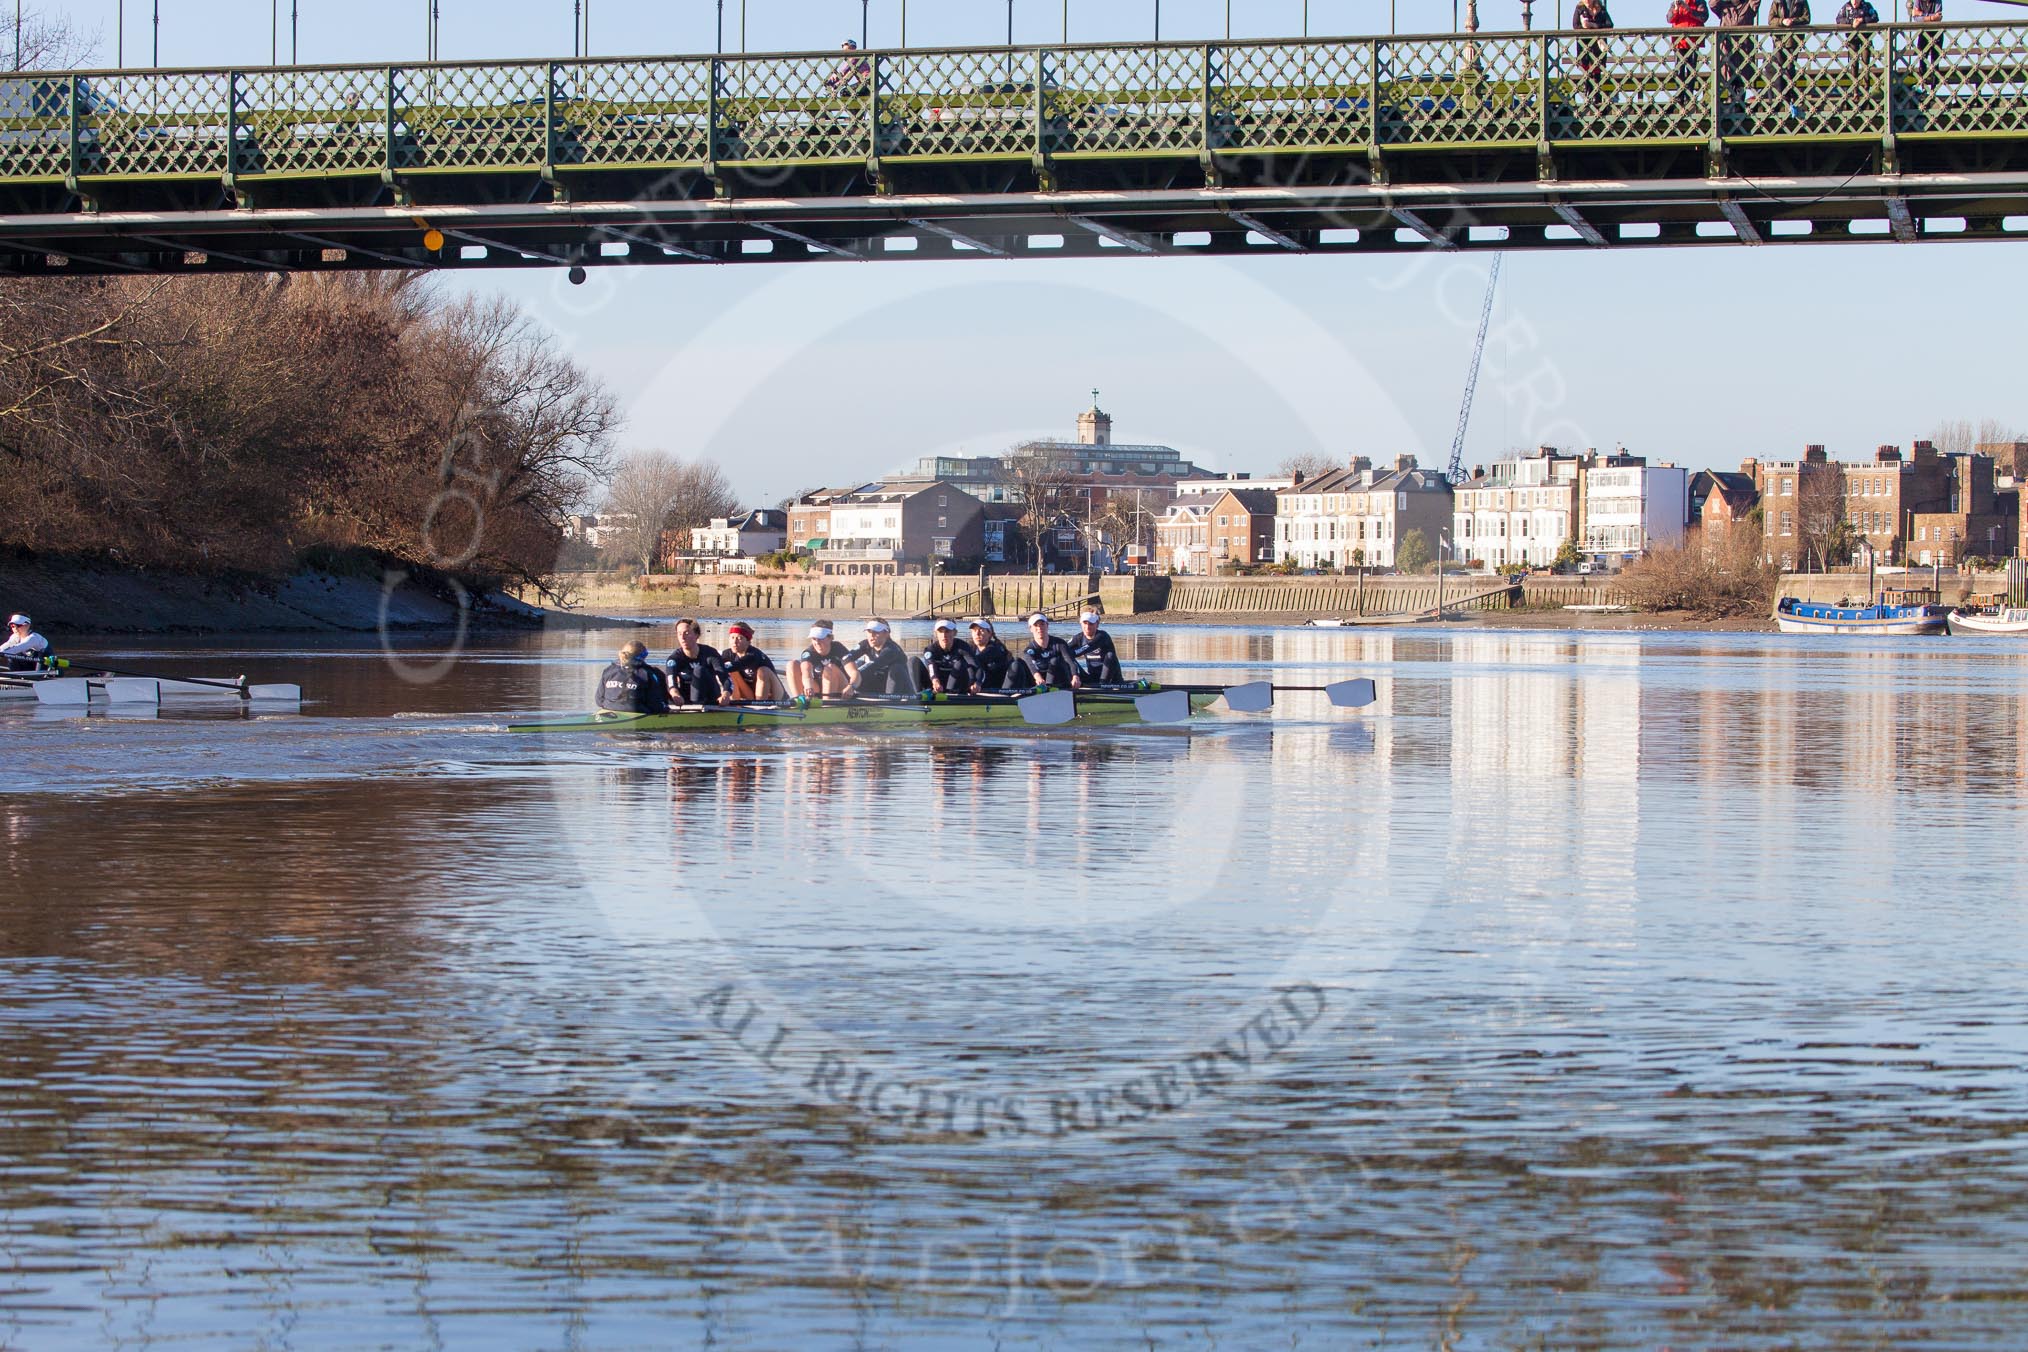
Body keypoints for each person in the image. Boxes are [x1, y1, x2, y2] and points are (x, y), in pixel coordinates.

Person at [1007, 613, 1082, 691]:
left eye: (1042, 624)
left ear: (1047, 625)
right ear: (1030, 628)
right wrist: (1037, 677)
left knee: (1055, 661)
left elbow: (1070, 662)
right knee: (1017, 662)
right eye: (1036, 625)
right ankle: (1007, 696)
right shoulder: (1029, 650)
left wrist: (1075, 676)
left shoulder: (1060, 643)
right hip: (1041, 684)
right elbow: (1031, 665)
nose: (1039, 628)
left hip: (1061, 683)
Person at [844, 618, 917, 697]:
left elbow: (873, 666)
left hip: (900, 691)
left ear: (886, 633)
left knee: (896, 669)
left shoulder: (892, 649)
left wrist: (852, 684)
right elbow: (846, 658)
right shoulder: (865, 644)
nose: (871, 635)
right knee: (858, 664)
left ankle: (890, 703)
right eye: (869, 631)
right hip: (879, 687)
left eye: (876, 632)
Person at [597, 640, 672, 714]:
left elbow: (599, 700)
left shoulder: (608, 671)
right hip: (638, 713)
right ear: (643, 655)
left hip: (609, 709)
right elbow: (655, 705)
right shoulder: (649, 673)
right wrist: (665, 709)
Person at [664, 618, 727, 706]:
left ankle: (698, 706)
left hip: (710, 699)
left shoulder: (710, 653)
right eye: (679, 634)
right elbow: (671, 681)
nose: (683, 637)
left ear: (696, 635)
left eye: (687, 633)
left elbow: (725, 677)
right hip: (686, 699)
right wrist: (675, 694)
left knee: (699, 670)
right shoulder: (674, 659)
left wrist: (726, 694)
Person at [718, 621, 784, 703]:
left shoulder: (753, 655)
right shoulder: (727, 654)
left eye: (739, 638)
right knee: (729, 671)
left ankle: (761, 707)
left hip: (775, 695)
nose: (734, 642)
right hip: (750, 695)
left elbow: (739, 664)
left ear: (748, 642)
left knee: (763, 671)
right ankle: (734, 704)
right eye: (732, 637)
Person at [1764, 0, 1811, 109]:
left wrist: (1793, 21)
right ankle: (1782, 97)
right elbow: (1771, 20)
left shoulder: (1801, 1)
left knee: (1790, 69)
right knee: (1779, 68)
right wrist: (1782, 21)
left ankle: (1790, 96)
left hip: (1794, 41)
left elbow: (1807, 18)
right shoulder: (1777, 1)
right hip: (1779, 40)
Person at [1712, 0, 1760, 105]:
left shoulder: (1748, 5)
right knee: (1728, 71)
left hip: (1744, 46)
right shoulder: (1723, 6)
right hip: (1727, 45)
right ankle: (1730, 96)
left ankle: (1740, 99)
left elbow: (1756, 3)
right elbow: (1712, 4)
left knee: (1743, 73)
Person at [916, 618, 977, 696]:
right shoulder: (930, 650)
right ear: (936, 634)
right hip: (937, 686)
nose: (944, 635)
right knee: (914, 661)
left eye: (947, 631)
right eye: (940, 632)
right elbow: (931, 667)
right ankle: (916, 696)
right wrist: (935, 680)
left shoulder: (963, 647)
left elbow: (977, 667)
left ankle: (951, 694)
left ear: (955, 633)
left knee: (960, 663)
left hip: (956, 686)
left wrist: (976, 683)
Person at [791, 623, 853, 698]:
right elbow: (806, 673)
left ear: (830, 638)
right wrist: (808, 687)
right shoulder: (808, 653)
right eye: (814, 639)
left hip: (842, 689)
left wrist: (852, 686)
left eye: (820, 638)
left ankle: (827, 704)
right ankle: (798, 701)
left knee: (829, 668)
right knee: (792, 664)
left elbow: (855, 673)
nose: (817, 642)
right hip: (817, 688)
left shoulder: (839, 648)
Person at [1068, 610, 1124, 685]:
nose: (1087, 627)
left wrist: (1069, 654)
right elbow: (1063, 649)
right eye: (1085, 623)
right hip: (1092, 678)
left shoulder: (1103, 636)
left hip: (1112, 680)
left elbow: (1088, 647)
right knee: (1064, 657)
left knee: (1110, 655)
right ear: (1081, 623)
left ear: (1097, 624)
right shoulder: (1078, 638)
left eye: (1091, 624)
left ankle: (1103, 684)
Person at [1572, 0, 1615, 97]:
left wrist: (1593, 25)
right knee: (1587, 72)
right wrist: (1585, 28)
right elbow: (1576, 26)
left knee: (1597, 71)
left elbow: (1609, 25)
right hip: (1585, 45)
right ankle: (1588, 95)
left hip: (1598, 45)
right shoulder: (1580, 9)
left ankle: (1597, 97)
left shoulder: (1601, 9)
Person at [1668, 0, 1709, 97]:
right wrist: (1676, 9)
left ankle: (1689, 95)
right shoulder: (1675, 3)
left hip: (1693, 41)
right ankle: (1679, 95)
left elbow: (1703, 17)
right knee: (1679, 69)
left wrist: (1689, 9)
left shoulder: (1699, 2)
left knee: (1692, 69)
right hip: (1679, 41)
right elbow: (1669, 19)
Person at [967, 619, 1013, 693]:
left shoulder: (995, 648)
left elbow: (977, 661)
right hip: (981, 688)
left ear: (990, 634)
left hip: (999, 689)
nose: (977, 633)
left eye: (981, 630)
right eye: (974, 630)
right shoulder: (970, 649)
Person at [1835, 0, 1878, 78]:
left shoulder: (1867, 6)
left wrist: (1862, 20)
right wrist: (1851, 21)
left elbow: (1875, 17)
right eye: (1852, 0)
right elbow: (1838, 19)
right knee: (1854, 63)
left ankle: (1866, 85)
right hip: (1852, 39)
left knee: (1866, 64)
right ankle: (1855, 87)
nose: (1854, 2)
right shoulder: (1846, 7)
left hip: (1866, 39)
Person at [1907, 0, 1942, 87]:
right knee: (1922, 57)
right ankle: (1923, 85)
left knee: (1935, 60)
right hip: (1923, 33)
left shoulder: (1937, 1)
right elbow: (1916, 18)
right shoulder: (1918, 1)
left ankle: (1934, 86)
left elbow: (1939, 17)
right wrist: (1932, 17)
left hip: (1936, 33)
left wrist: (1922, 14)